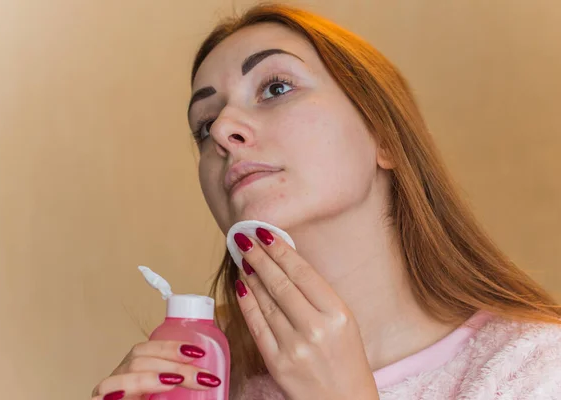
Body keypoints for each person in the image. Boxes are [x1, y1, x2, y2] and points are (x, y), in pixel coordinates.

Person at [91, 3, 561, 400]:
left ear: (385, 136)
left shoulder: (535, 369)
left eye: (275, 88)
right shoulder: (213, 378)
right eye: (203, 124)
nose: (222, 130)